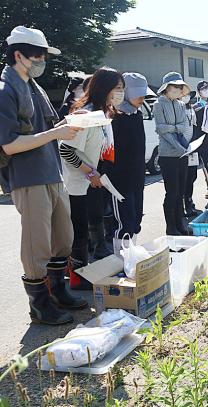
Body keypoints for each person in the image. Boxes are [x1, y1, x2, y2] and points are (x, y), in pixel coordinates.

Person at [0, 26, 87, 325]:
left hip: (52, 171)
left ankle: (58, 291)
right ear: (18, 55)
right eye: (37, 55)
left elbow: (49, 127)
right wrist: (57, 132)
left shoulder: (34, 88)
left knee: (63, 236)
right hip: (28, 176)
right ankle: (39, 305)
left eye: (44, 56)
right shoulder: (5, 90)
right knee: (37, 244)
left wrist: (74, 121)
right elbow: (9, 144)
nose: (42, 61)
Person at [59, 67, 125, 288]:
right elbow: (65, 149)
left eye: (122, 89)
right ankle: (77, 278)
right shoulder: (85, 115)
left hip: (92, 181)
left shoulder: (103, 115)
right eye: (117, 88)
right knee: (79, 231)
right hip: (77, 183)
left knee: (90, 224)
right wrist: (89, 170)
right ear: (104, 89)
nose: (120, 93)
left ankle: (80, 273)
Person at [107, 73, 154, 253]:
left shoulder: (137, 113)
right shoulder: (113, 116)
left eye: (144, 94)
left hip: (137, 174)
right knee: (123, 220)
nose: (142, 98)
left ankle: (132, 252)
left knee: (135, 218)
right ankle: (120, 256)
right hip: (119, 177)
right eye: (138, 94)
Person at [153, 71, 193, 235]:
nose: (178, 89)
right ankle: (171, 226)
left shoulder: (181, 104)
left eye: (180, 86)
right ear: (166, 88)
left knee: (181, 190)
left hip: (182, 154)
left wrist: (173, 128)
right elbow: (161, 129)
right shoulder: (158, 104)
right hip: (167, 155)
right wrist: (177, 143)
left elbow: (183, 127)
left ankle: (180, 223)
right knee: (172, 192)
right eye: (174, 86)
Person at [180, 90, 198, 216]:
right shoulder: (177, 109)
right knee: (183, 179)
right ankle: (182, 206)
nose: (186, 97)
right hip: (180, 148)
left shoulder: (191, 109)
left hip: (192, 148)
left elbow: (195, 127)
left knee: (192, 177)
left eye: (187, 95)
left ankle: (189, 202)